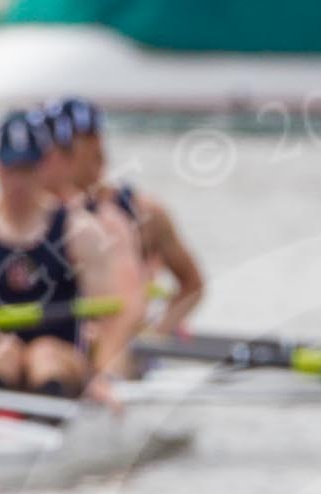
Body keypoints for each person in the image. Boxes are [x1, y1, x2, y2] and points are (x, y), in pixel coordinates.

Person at [0, 107, 149, 403]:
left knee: (44, 355)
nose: (18, 182)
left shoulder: (79, 231)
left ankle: (37, 409)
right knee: (5, 351)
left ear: (43, 164)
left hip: (61, 361)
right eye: (10, 168)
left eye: (27, 169)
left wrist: (101, 374)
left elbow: (114, 315)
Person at [44, 96, 207, 337]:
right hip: (56, 345)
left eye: (63, 147)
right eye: (46, 147)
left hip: (123, 343)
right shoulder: (40, 213)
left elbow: (192, 285)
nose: (50, 157)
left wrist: (158, 332)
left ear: (95, 145)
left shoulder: (146, 212)